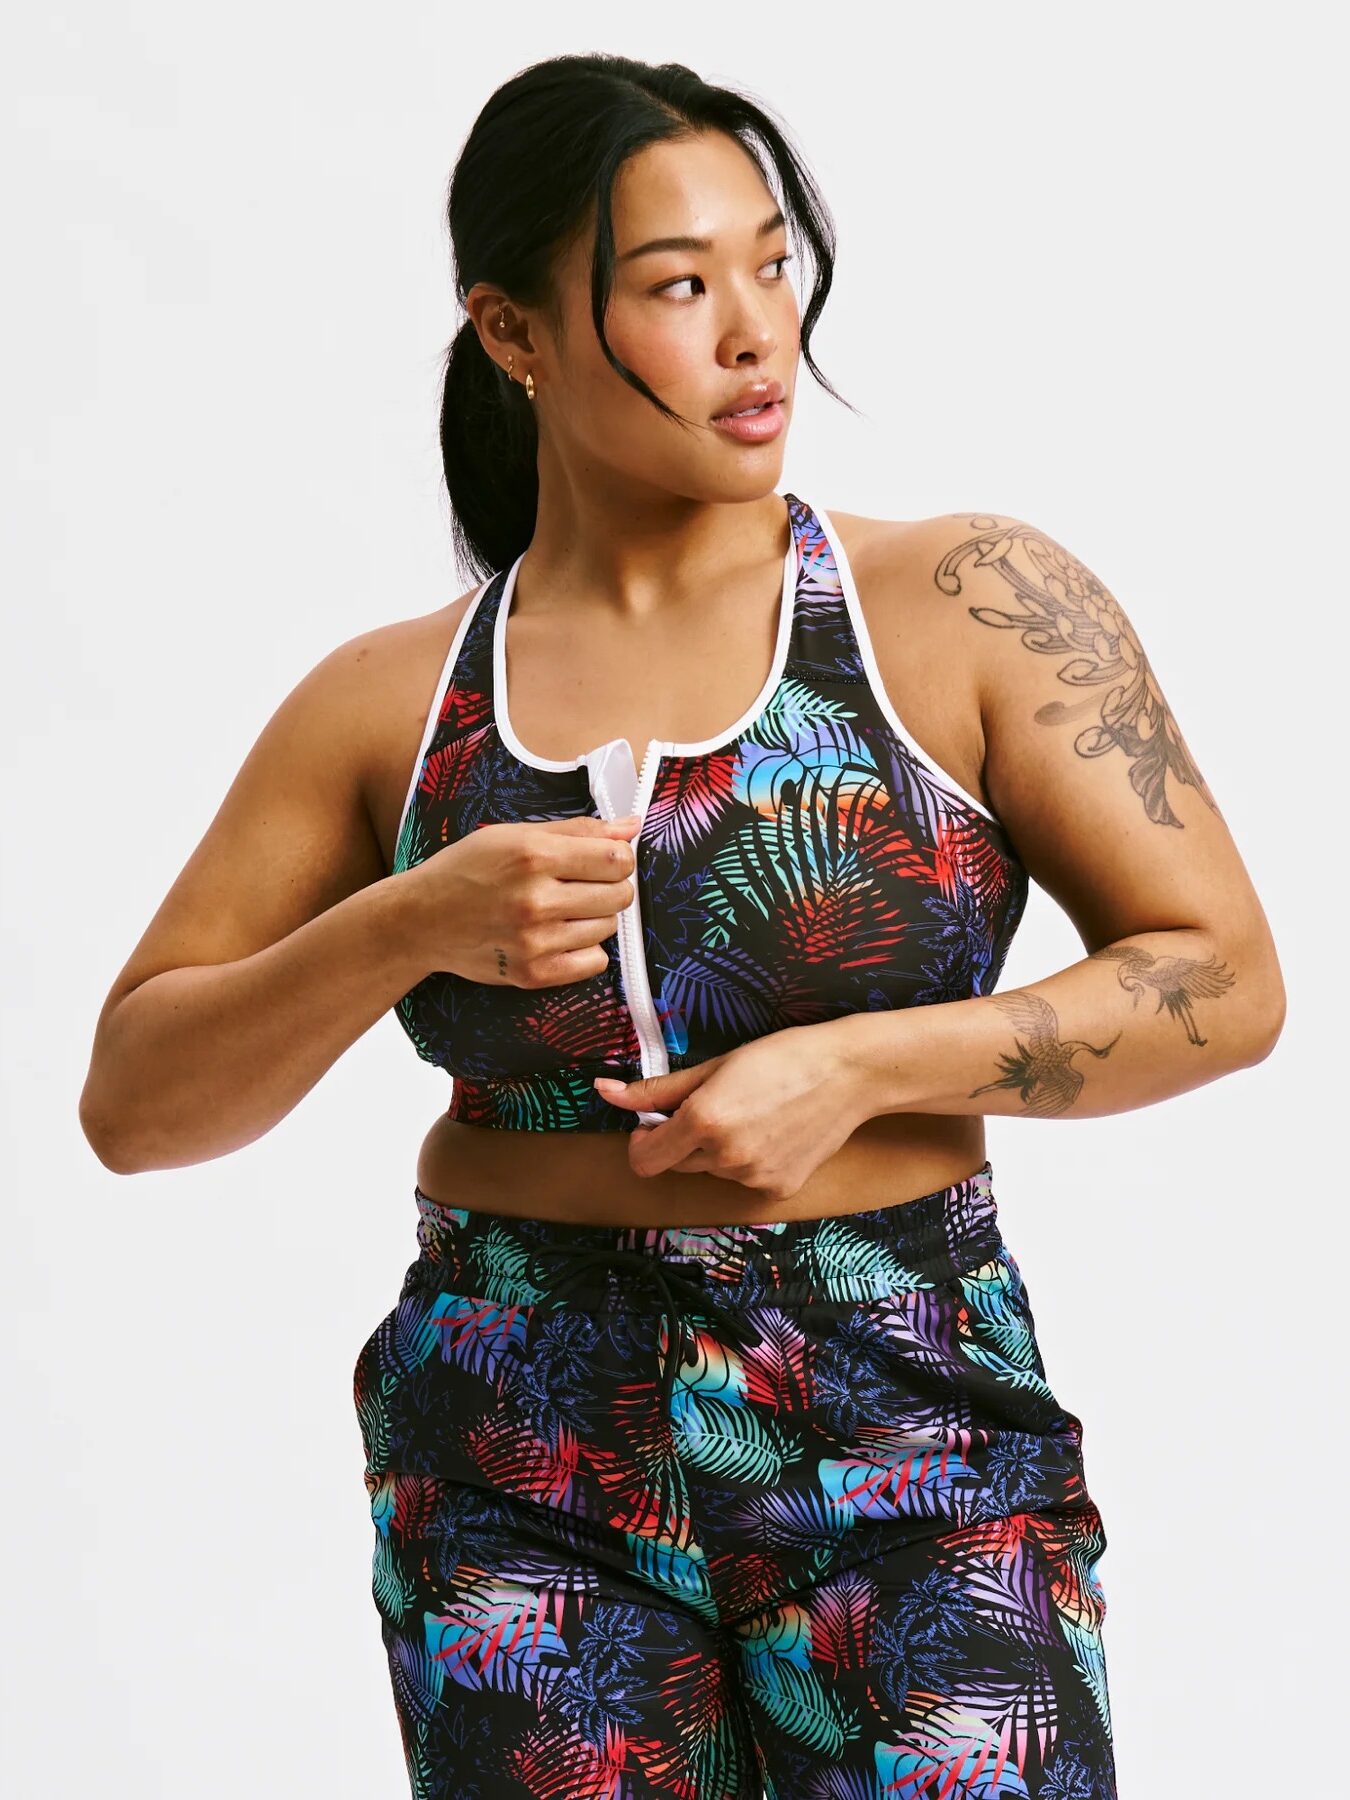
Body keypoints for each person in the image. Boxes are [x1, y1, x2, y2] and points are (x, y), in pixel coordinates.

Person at [79, 50, 1285, 1800]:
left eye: (771, 263)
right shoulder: (388, 708)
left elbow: (1224, 979)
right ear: (513, 335)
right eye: (674, 283)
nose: (752, 331)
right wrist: (400, 926)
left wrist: (859, 1066)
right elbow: (136, 1103)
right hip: (514, 1435)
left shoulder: (963, 602)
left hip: (900, 1403)